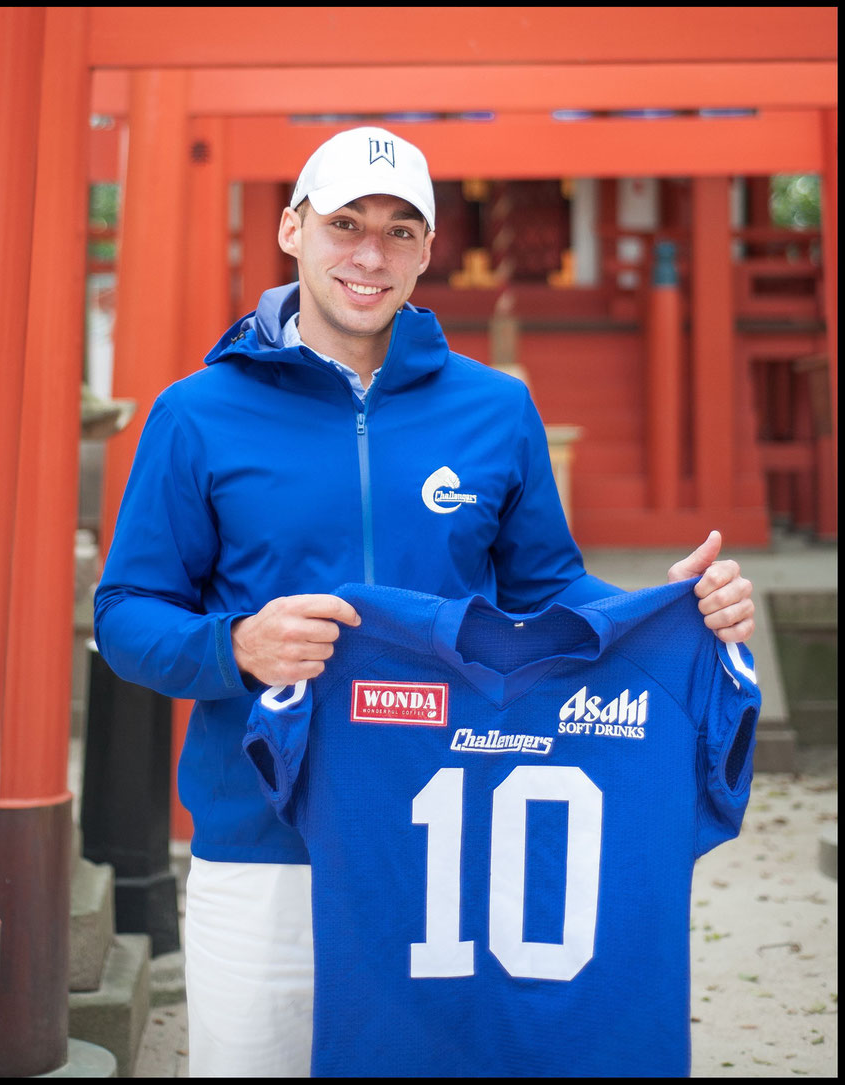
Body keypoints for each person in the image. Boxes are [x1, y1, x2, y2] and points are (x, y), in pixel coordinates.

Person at [93, 126, 755, 1078]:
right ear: (292, 228)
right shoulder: (197, 413)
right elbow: (126, 614)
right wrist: (237, 645)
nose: (371, 254)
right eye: (345, 223)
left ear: (430, 248)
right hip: (262, 845)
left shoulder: (495, 409)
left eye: (401, 230)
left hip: (449, 839)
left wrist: (666, 615)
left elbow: (549, 589)